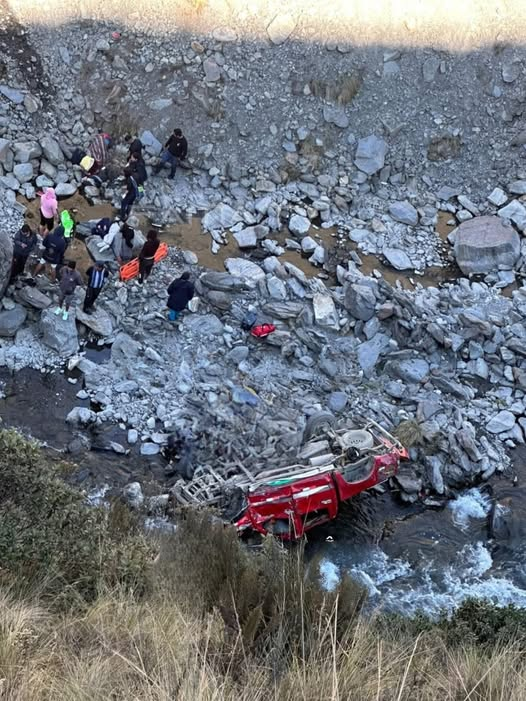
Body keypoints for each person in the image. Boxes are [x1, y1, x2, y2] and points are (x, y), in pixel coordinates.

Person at [120, 153, 147, 220]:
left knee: (124, 202)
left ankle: (123, 216)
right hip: (137, 189)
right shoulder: (140, 170)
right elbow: (141, 182)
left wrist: (124, 192)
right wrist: (140, 192)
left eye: (132, 157)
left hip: (132, 191)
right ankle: (128, 213)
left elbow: (128, 189)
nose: (131, 158)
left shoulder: (130, 178)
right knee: (131, 202)